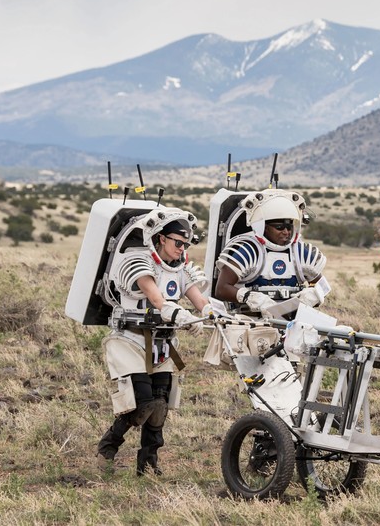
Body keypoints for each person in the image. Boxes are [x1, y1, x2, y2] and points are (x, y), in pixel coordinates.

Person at [97, 208, 210, 476]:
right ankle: (108, 447)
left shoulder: (181, 269)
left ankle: (148, 464)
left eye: (186, 244)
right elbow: (156, 298)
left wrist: (208, 314)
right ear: (161, 238)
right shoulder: (138, 261)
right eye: (177, 243)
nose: (182, 250)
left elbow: (199, 300)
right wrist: (175, 312)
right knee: (142, 402)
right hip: (130, 340)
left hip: (162, 344)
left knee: (160, 406)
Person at [214, 189, 328, 316]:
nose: (286, 232)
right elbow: (221, 289)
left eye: (289, 227)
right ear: (264, 227)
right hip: (251, 322)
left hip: (294, 321)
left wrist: (313, 294)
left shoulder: (300, 252)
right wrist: (249, 297)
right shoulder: (249, 251)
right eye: (279, 227)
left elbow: (324, 286)